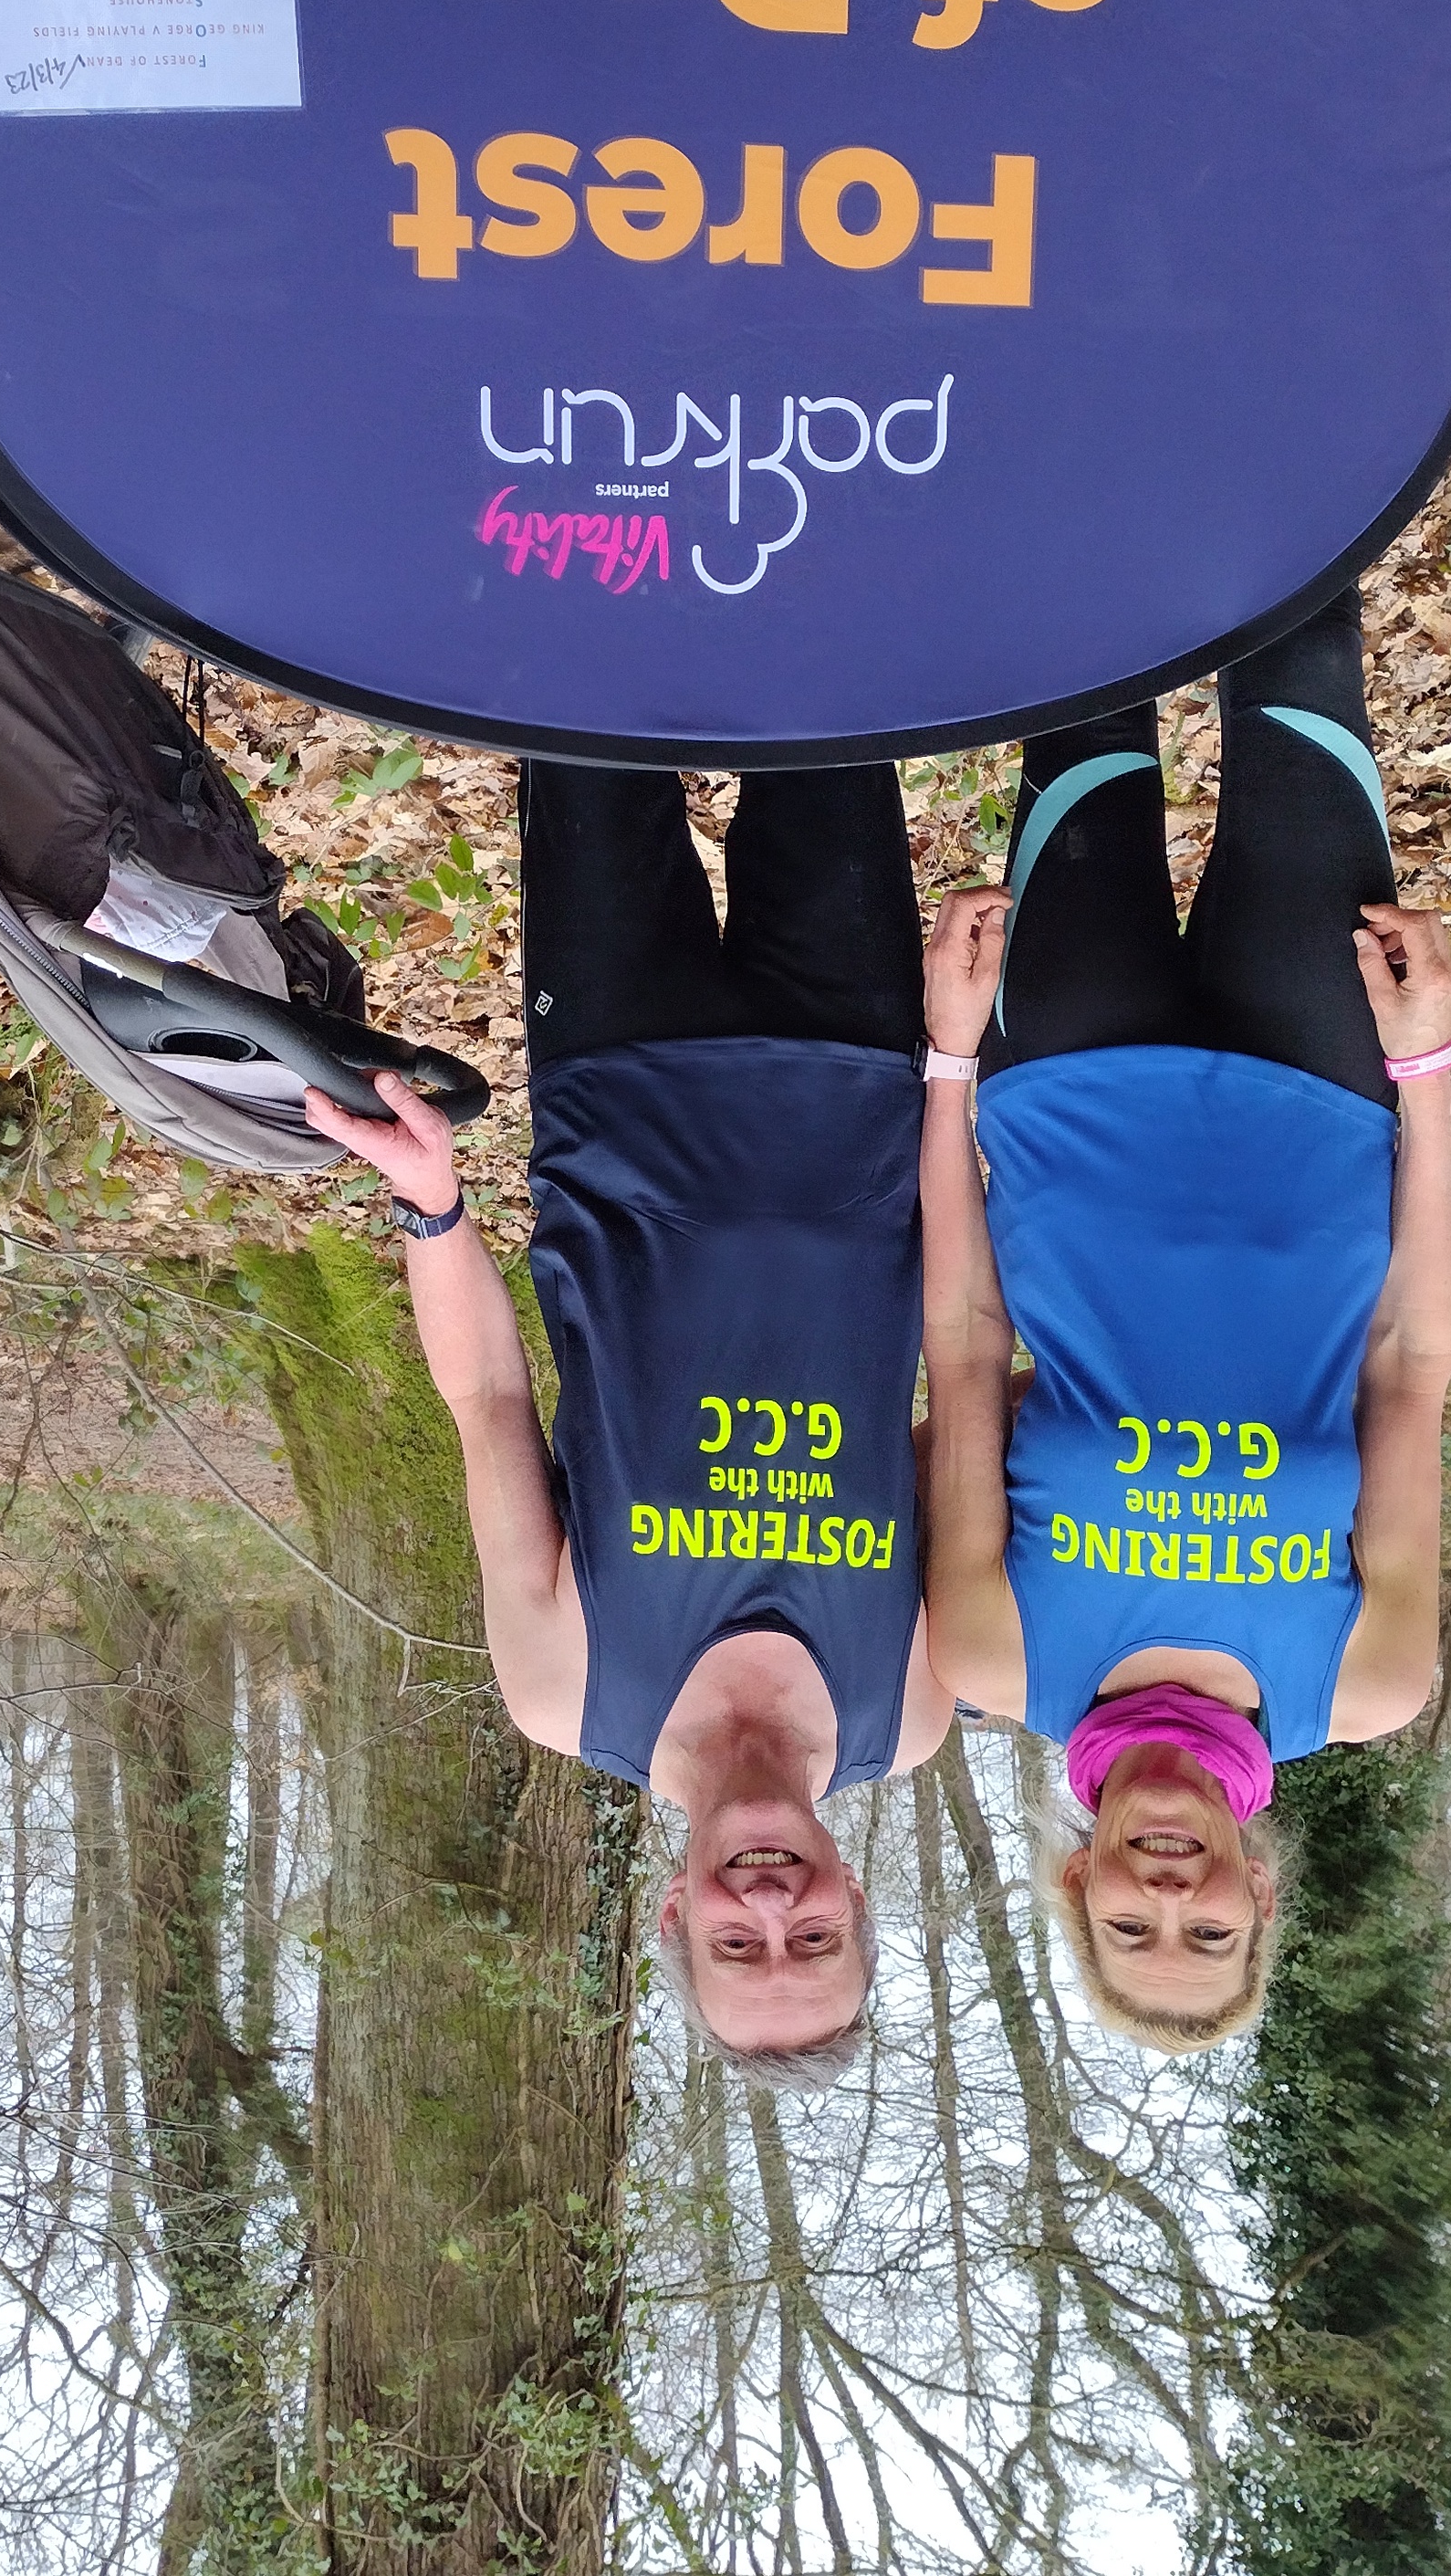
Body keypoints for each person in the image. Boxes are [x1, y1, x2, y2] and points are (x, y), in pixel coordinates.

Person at [308, 762, 960, 2093]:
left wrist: (433, 1208)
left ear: (672, 1915)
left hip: (617, 1094)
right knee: (826, 701)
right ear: (855, 1900)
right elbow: (958, 1405)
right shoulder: (913, 1709)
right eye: (814, 1939)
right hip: (852, 1095)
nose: (770, 1909)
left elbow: (488, 1404)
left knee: (592, 716)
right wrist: (953, 1079)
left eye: (736, 1947)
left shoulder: (570, 1694)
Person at [921, 585, 1451, 2053]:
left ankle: (1081, 439)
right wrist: (1427, 1076)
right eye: (1209, 1935)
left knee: (1083, 666)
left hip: (1065, 1090)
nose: (1170, 1900)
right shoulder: (1362, 1681)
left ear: (1079, 1884)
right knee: (1303, 660)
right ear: (1261, 1895)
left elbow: (964, 1343)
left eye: (1130, 1930)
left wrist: (949, 1064)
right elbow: (1408, 1366)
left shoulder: (996, 1656)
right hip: (1325, 1102)